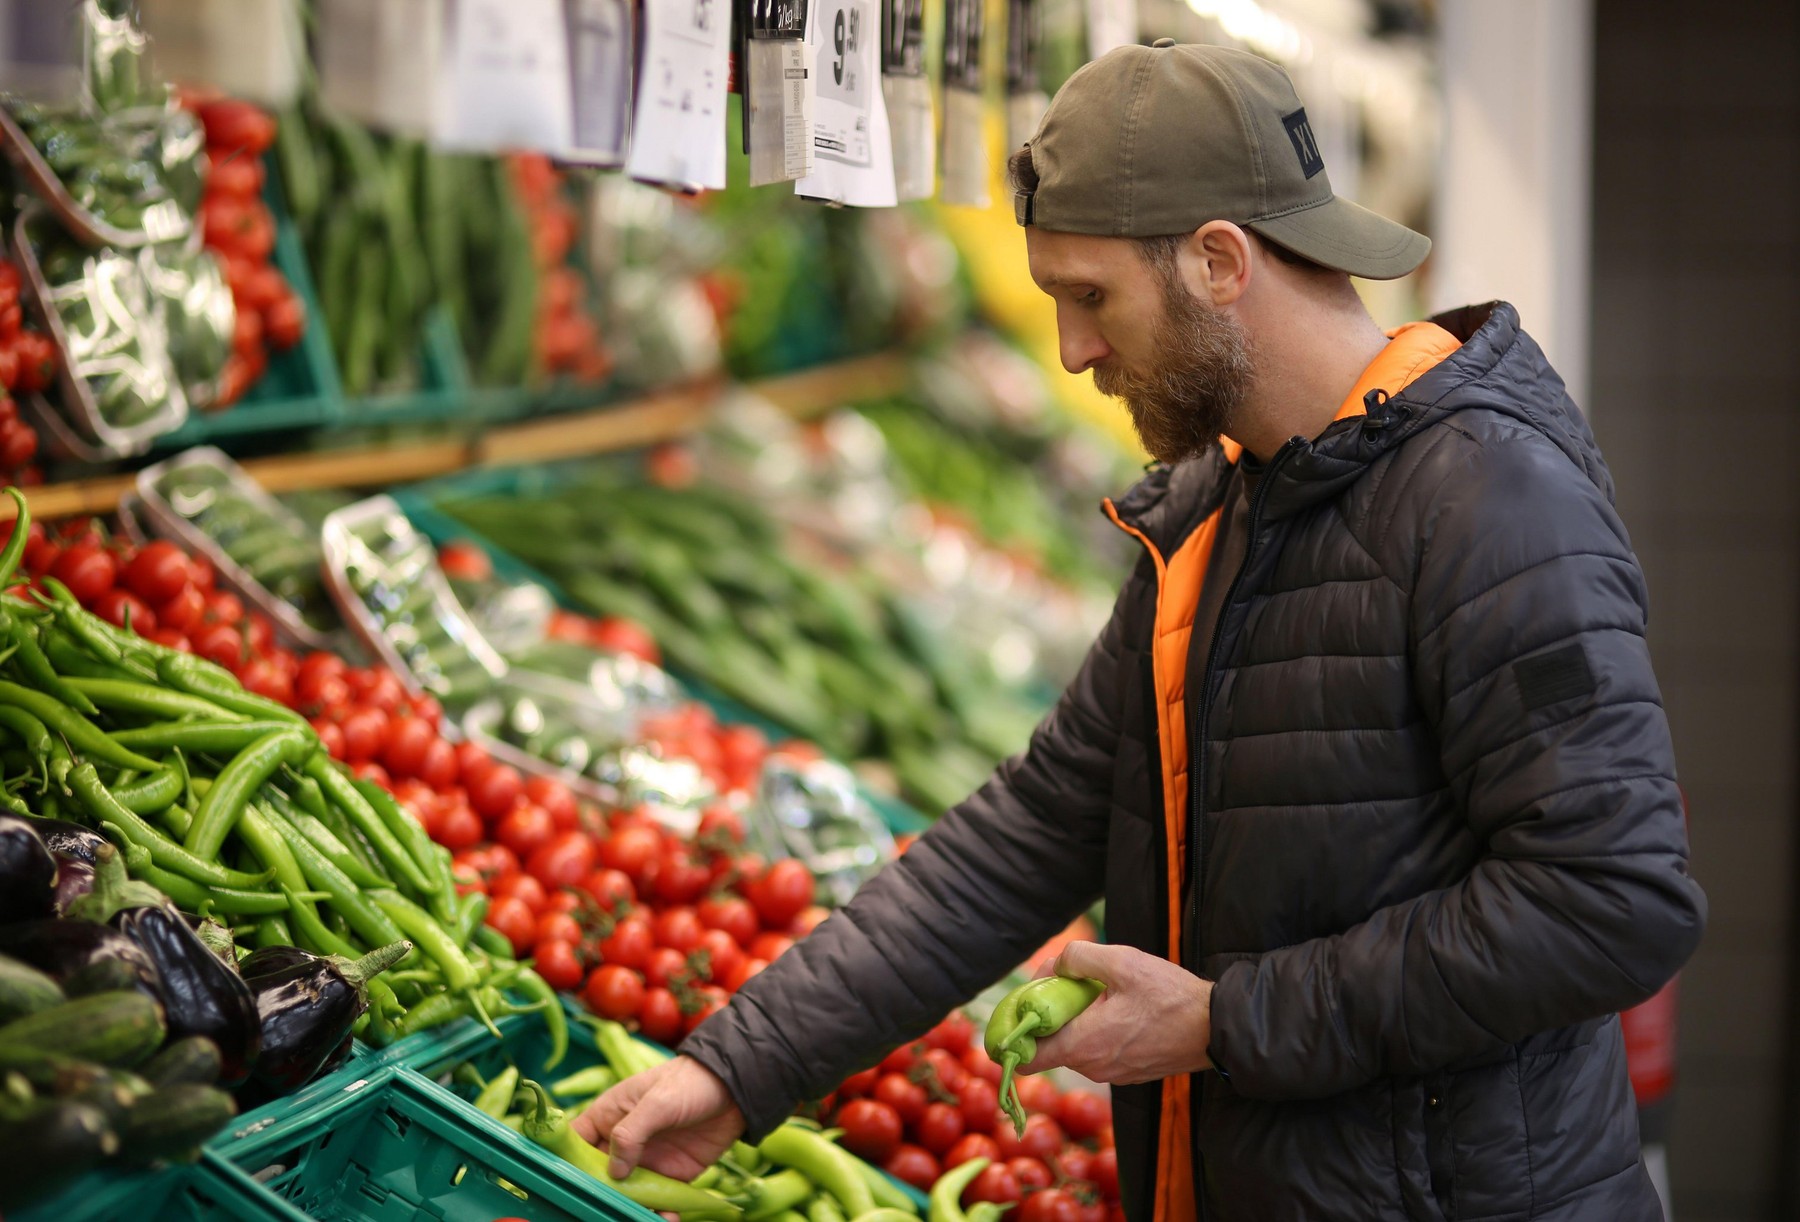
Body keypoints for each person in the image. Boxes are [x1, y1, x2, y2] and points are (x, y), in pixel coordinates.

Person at [577, 40, 1707, 1221]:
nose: (1071, 348)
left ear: (1221, 260)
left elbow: (1612, 900)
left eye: (1090, 296)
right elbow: (1027, 834)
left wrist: (1225, 1020)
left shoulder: (1490, 500)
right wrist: (736, 1067)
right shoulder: (1221, 507)